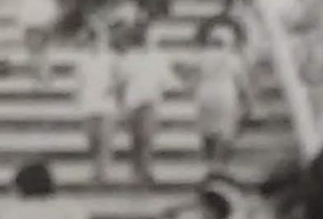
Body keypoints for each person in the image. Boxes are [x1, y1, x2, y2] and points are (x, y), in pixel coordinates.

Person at [114, 23, 175, 188]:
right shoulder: (129, 58)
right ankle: (135, 171)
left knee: (147, 138)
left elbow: (168, 81)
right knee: (136, 139)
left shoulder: (159, 58)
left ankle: (146, 171)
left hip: (150, 102)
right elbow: (121, 82)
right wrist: (121, 105)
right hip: (133, 103)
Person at [190, 23, 251, 170]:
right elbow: (241, 82)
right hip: (225, 94)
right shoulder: (233, 58)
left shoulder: (201, 57)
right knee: (224, 131)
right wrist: (247, 99)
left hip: (205, 93)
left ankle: (209, 161)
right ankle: (219, 164)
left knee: (207, 130)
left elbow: (193, 78)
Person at [76, 25, 121, 186]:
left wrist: (114, 90)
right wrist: (79, 99)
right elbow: (79, 82)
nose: (95, 43)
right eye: (91, 40)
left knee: (105, 139)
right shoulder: (82, 59)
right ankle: (95, 168)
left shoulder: (112, 58)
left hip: (106, 104)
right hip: (89, 104)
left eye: (98, 40)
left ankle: (103, 171)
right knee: (92, 140)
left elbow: (119, 79)